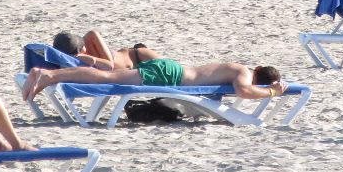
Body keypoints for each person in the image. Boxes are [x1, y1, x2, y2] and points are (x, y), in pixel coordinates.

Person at [21, 53, 287, 103]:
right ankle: (49, 75)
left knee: (107, 75)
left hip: (171, 70)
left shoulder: (238, 67)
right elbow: (244, 92)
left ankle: (50, 75)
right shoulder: (243, 73)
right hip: (170, 75)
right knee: (105, 77)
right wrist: (274, 91)